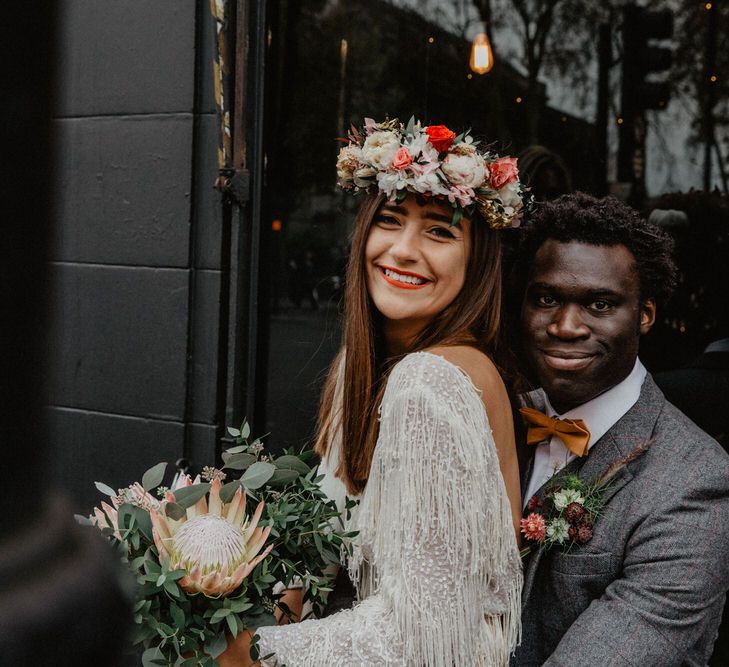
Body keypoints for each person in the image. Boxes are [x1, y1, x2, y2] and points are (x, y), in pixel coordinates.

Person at [243, 117, 530, 666]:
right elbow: (324, 539)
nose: (402, 250)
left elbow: (423, 638)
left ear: (477, 264)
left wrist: (253, 652)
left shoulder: (430, 384)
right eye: (391, 221)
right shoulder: (366, 364)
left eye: (440, 232)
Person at [511, 193, 729, 666]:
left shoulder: (694, 482)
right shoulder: (494, 420)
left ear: (645, 315)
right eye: (546, 298)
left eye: (600, 304)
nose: (565, 326)